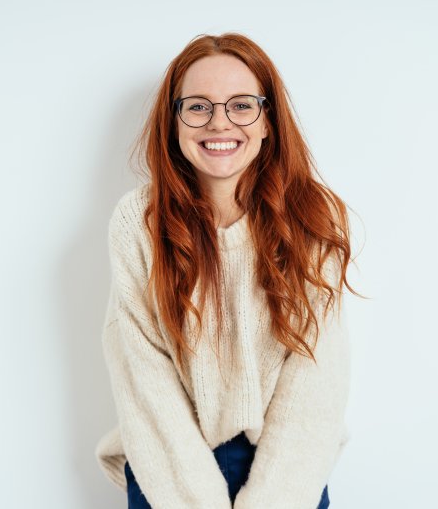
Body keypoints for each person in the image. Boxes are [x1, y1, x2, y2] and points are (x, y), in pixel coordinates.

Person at [94, 32, 362, 509]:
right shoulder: (139, 223)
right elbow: (144, 382)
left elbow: (316, 389)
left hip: (287, 476)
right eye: (198, 106)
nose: (219, 122)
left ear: (268, 121)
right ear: (173, 121)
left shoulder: (315, 219)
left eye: (241, 105)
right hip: (170, 472)